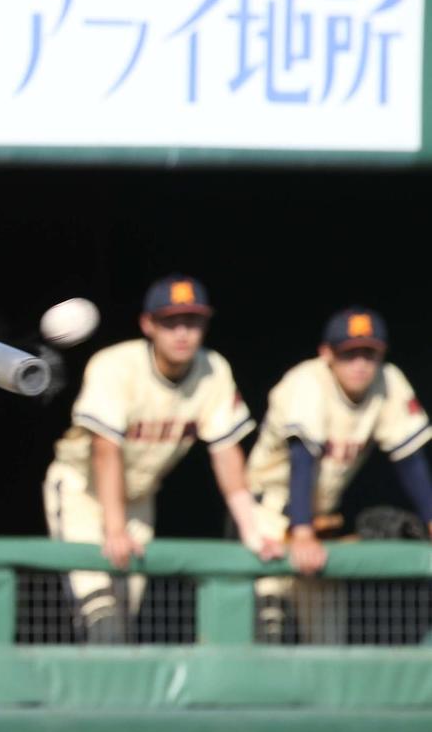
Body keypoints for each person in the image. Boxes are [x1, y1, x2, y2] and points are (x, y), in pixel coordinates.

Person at [43, 275, 279, 642]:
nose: (182, 332)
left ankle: (121, 698)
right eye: (171, 322)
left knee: (125, 614)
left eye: (192, 321)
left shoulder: (213, 370)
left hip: (138, 498)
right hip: (82, 492)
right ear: (148, 324)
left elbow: (226, 454)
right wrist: (115, 527)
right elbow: (106, 450)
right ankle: (93, 697)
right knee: (99, 611)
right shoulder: (115, 365)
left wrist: (252, 531)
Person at [247, 307, 432, 642]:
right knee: (267, 624)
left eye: (369, 353)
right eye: (349, 354)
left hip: (317, 520)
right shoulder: (307, 382)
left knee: (328, 636)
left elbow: (409, 461)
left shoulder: (388, 382)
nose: (360, 364)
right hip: (267, 515)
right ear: (327, 353)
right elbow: (302, 459)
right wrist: (301, 532)